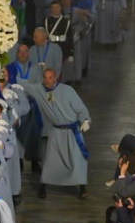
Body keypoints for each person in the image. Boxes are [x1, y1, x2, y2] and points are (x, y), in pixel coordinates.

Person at [28, 68, 91, 199]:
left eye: (50, 77)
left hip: (72, 133)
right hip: (56, 131)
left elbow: (81, 108)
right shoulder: (39, 90)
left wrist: (85, 120)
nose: (47, 80)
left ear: (55, 77)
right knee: (51, 160)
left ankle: (82, 187)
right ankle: (43, 186)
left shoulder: (67, 90)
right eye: (45, 77)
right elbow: (25, 85)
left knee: (78, 159)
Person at [44, 2, 76, 83]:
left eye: (57, 7)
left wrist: (71, 53)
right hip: (51, 46)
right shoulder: (47, 20)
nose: (55, 10)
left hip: (62, 47)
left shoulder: (66, 21)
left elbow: (70, 38)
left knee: (61, 68)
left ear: (60, 8)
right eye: (53, 7)